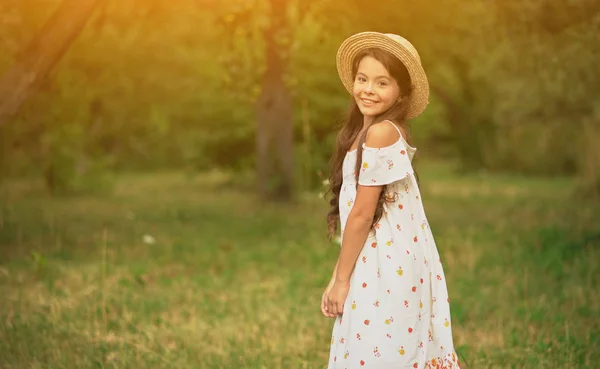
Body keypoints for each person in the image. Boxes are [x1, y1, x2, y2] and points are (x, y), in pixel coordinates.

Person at [322, 32, 461, 369]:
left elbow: (361, 214)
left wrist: (342, 281)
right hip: (374, 259)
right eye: (362, 79)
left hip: (388, 264)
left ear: (401, 92)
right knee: (375, 346)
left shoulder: (383, 133)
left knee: (382, 350)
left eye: (382, 82)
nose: (368, 89)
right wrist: (340, 274)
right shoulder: (362, 133)